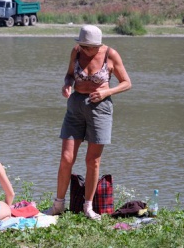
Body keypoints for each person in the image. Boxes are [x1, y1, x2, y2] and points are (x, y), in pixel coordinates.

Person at [46, 25, 132, 220]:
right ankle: (58, 205)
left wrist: (106, 92)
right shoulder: (76, 52)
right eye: (82, 45)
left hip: (100, 109)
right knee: (66, 158)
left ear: (98, 45)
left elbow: (127, 82)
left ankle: (88, 207)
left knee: (92, 161)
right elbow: (69, 74)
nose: (84, 49)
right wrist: (67, 84)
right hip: (75, 106)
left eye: (88, 47)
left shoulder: (111, 54)